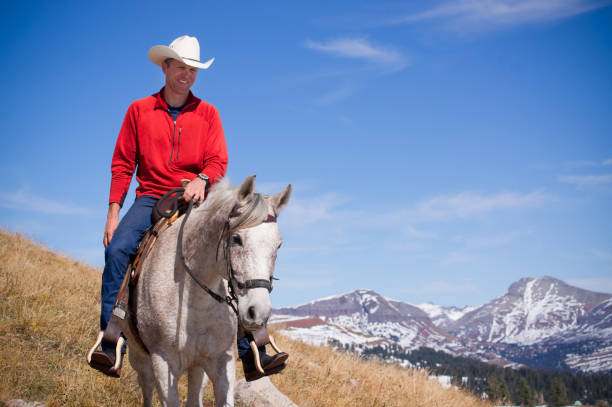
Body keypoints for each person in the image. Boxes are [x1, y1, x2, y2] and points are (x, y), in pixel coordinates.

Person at [92, 35, 287, 380]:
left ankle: (252, 348)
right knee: (119, 249)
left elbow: (217, 159)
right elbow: (123, 163)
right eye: (180, 67)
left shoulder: (208, 113)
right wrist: (113, 211)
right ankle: (112, 340)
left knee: (232, 245)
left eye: (192, 69)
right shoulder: (139, 110)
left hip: (198, 196)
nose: (187, 74)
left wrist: (202, 179)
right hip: (150, 195)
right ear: (165, 67)